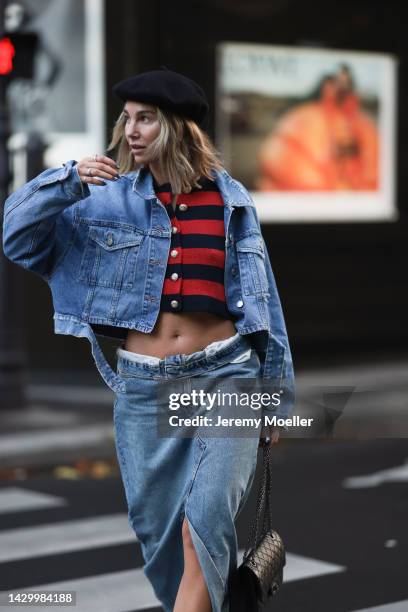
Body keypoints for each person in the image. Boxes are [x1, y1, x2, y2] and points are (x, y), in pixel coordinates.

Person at [3, 68, 295, 612]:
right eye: (127, 119)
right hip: (143, 389)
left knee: (203, 526)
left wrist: (277, 396)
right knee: (160, 538)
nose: (130, 131)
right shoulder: (103, 199)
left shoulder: (231, 200)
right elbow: (16, 238)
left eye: (146, 119)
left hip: (226, 375)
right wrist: (65, 182)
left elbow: (264, 303)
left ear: (179, 128)